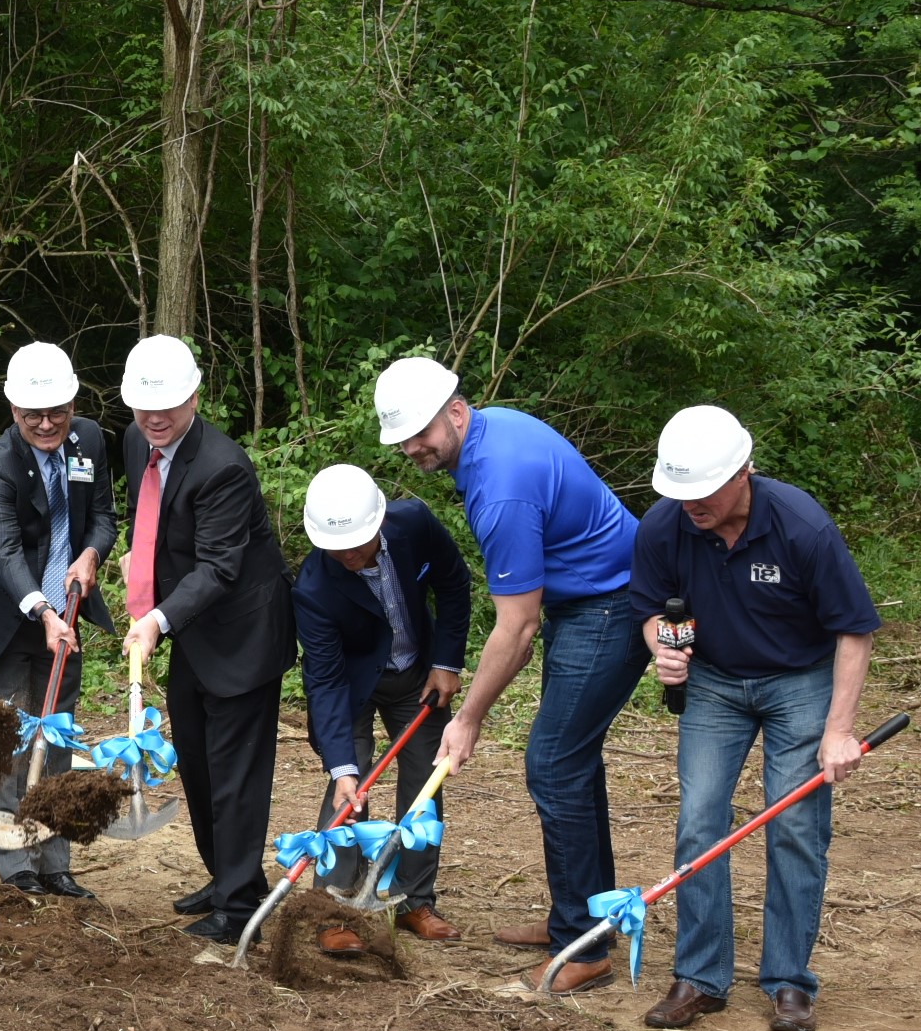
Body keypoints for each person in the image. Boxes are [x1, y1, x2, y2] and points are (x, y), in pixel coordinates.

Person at [376, 355, 646, 994]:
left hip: (609, 606)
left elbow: (516, 628)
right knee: (570, 762)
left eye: (423, 433)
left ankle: (584, 946)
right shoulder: (491, 433)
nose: (414, 447)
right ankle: (580, 921)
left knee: (552, 763)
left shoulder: (500, 484)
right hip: (586, 601)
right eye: (403, 438)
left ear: (457, 411)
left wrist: (467, 719)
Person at [629, 406, 879, 1031]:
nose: (689, 505)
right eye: (677, 492)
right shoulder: (665, 526)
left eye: (701, 491)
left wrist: (838, 731)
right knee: (700, 819)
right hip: (713, 683)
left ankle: (789, 981)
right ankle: (700, 977)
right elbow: (652, 610)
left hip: (801, 681)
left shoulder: (802, 527)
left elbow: (854, 632)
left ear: (743, 471)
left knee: (795, 824)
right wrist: (663, 646)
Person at [117, 334, 296, 945]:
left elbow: (219, 567)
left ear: (195, 396)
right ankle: (225, 876)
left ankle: (241, 903)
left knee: (234, 772)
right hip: (192, 630)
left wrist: (156, 619)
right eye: (144, 406)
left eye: (168, 404)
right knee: (194, 757)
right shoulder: (136, 439)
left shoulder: (224, 467)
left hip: (240, 634)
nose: (155, 417)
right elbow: (152, 522)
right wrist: (138, 573)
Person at [292, 464, 470, 950]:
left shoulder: (414, 523)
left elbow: (454, 582)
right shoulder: (313, 588)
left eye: (358, 542)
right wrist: (342, 764)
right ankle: (332, 908)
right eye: (337, 546)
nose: (348, 554)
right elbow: (324, 680)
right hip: (350, 686)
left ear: (378, 520)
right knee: (348, 789)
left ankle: (414, 900)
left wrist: (446, 662)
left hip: (417, 675)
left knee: (425, 780)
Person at [0, 343, 115, 898]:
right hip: (5, 617)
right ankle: (16, 867)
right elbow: (2, 552)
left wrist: (92, 554)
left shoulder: (90, 440)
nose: (47, 424)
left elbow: (103, 516)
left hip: (67, 609)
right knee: (7, 741)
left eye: (58, 412)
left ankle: (55, 862)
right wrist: (44, 611)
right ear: (12, 411)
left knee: (56, 739)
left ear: (73, 403)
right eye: (34, 415)